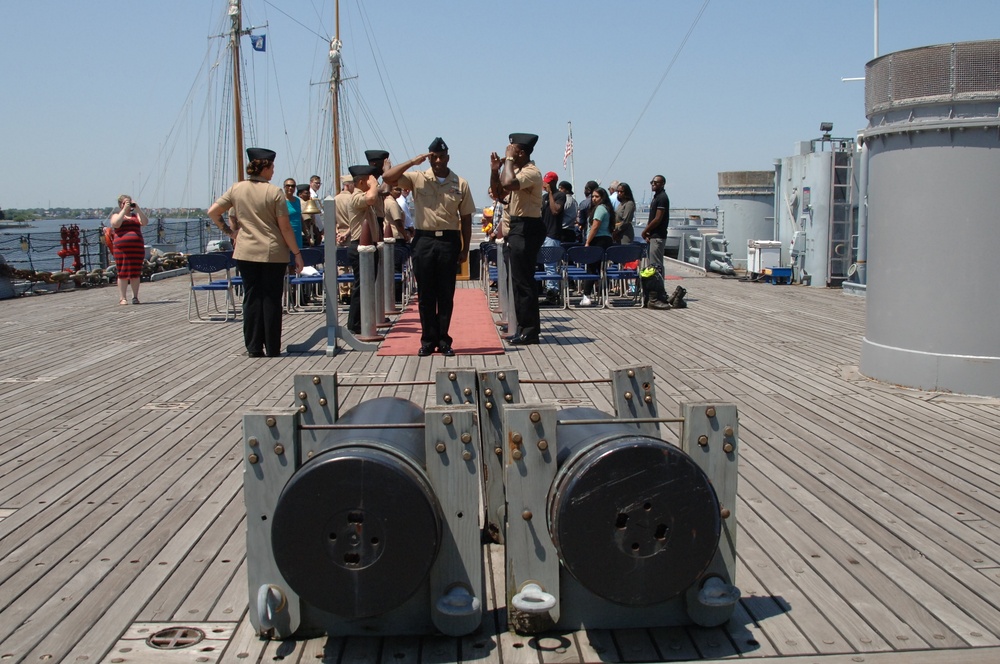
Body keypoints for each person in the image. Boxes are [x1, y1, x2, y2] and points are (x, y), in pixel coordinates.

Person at [207, 147, 304, 357]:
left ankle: (253, 347)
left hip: (245, 251)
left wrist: (231, 233)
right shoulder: (274, 192)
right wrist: (296, 253)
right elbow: (285, 227)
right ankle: (272, 346)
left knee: (251, 298)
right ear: (265, 167)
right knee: (271, 298)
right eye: (272, 167)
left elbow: (213, 212)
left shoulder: (236, 189)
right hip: (272, 251)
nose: (273, 172)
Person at [383, 137, 475, 356]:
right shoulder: (417, 178)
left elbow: (467, 218)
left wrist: (465, 248)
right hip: (424, 240)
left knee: (446, 294)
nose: (437, 161)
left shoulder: (460, 183)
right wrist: (412, 162)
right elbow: (388, 177)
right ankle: (427, 340)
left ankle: (444, 340)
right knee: (425, 294)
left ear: (448, 157)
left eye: (441, 156)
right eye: (433, 157)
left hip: (449, 241)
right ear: (428, 157)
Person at [490, 132, 544, 345]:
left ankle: (529, 331)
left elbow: (511, 184)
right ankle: (523, 327)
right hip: (517, 227)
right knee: (518, 281)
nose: (508, 154)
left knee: (524, 282)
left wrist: (509, 161)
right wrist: (495, 170)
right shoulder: (517, 171)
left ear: (521, 152)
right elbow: (498, 192)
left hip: (527, 227)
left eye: (512, 150)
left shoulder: (531, 173)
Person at [336, 165, 381, 334]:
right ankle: (355, 323)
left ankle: (362, 321)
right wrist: (374, 185)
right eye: (368, 181)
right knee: (361, 286)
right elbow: (370, 199)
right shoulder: (355, 197)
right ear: (361, 181)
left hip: (367, 246)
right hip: (359, 247)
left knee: (367, 285)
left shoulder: (361, 195)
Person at [108, 193, 148, 305]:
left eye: (129, 202)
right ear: (120, 204)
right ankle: (123, 298)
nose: (128, 205)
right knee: (123, 272)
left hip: (136, 248)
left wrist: (138, 208)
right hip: (122, 249)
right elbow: (116, 224)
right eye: (126, 202)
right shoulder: (116, 215)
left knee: (135, 272)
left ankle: (135, 297)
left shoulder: (135, 216)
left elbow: (144, 222)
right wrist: (124, 210)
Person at [579, 187, 615, 307]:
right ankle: (604, 296)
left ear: (602, 197)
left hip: (597, 240)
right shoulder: (608, 209)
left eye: (597, 196)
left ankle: (587, 296)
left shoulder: (600, 208)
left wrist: (588, 242)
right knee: (602, 270)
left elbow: (595, 226)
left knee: (591, 269)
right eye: (593, 196)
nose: (594, 199)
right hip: (607, 239)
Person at [540, 171, 565, 303]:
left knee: (550, 265)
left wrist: (550, 193)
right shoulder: (543, 198)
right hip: (543, 234)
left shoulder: (560, 196)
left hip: (553, 234)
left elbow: (555, 210)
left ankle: (552, 293)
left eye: (549, 183)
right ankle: (548, 290)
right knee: (545, 265)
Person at [642, 174, 670, 277]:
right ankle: (654, 287)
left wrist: (645, 231)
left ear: (662, 184)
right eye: (652, 182)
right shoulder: (656, 197)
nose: (653, 184)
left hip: (658, 236)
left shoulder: (662, 198)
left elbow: (658, 219)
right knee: (652, 264)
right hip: (653, 235)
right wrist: (649, 233)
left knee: (656, 265)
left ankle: (659, 288)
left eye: (656, 182)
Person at [282, 178, 304, 250]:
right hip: (286, 234)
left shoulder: (297, 200)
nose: (290, 188)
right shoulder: (281, 201)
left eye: (293, 186)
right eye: (288, 186)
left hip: (297, 234)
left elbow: (300, 217)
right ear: (284, 187)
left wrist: (307, 234)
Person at [308, 175, 324, 245]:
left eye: (319, 183)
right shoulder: (312, 196)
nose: (318, 185)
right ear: (311, 183)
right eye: (316, 183)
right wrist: (321, 228)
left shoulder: (314, 195)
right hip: (315, 225)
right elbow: (316, 214)